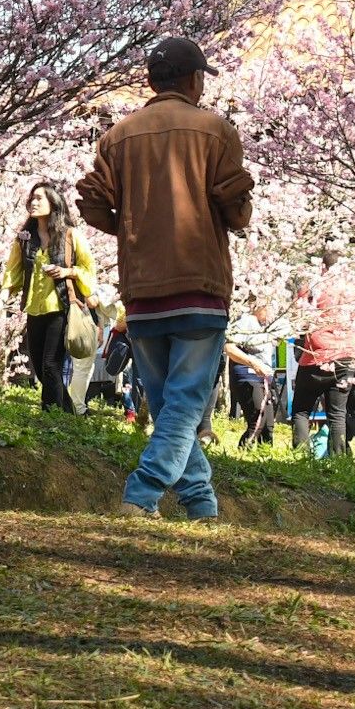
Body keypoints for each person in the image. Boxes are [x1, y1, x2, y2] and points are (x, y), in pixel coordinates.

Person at [77, 36, 253, 521]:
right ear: (195, 80)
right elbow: (236, 212)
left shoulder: (118, 136)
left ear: (153, 82)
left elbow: (92, 203)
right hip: (200, 285)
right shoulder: (215, 130)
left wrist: (133, 229)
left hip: (143, 291)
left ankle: (200, 503)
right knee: (185, 405)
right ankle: (143, 492)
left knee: (171, 406)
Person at [2, 181, 97, 412]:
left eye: (39, 198)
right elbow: (13, 271)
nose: (33, 203)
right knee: (39, 364)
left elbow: (88, 268)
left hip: (61, 307)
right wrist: (2, 298)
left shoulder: (70, 236)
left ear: (54, 204)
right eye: (31, 198)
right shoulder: (25, 239)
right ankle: (69, 413)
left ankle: (50, 416)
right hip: (34, 308)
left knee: (50, 364)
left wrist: (67, 271)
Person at [290, 265, 355, 458]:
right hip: (346, 353)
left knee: (301, 410)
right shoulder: (354, 290)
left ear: (323, 266)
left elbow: (299, 316)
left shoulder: (314, 286)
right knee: (338, 413)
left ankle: (301, 456)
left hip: (316, 355)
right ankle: (338, 460)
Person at [225, 307, 278, 449]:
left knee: (268, 427)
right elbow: (229, 348)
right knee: (257, 421)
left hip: (265, 377)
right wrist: (252, 363)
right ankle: (241, 454)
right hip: (248, 375)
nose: (271, 312)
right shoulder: (246, 321)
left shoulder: (268, 326)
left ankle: (265, 458)